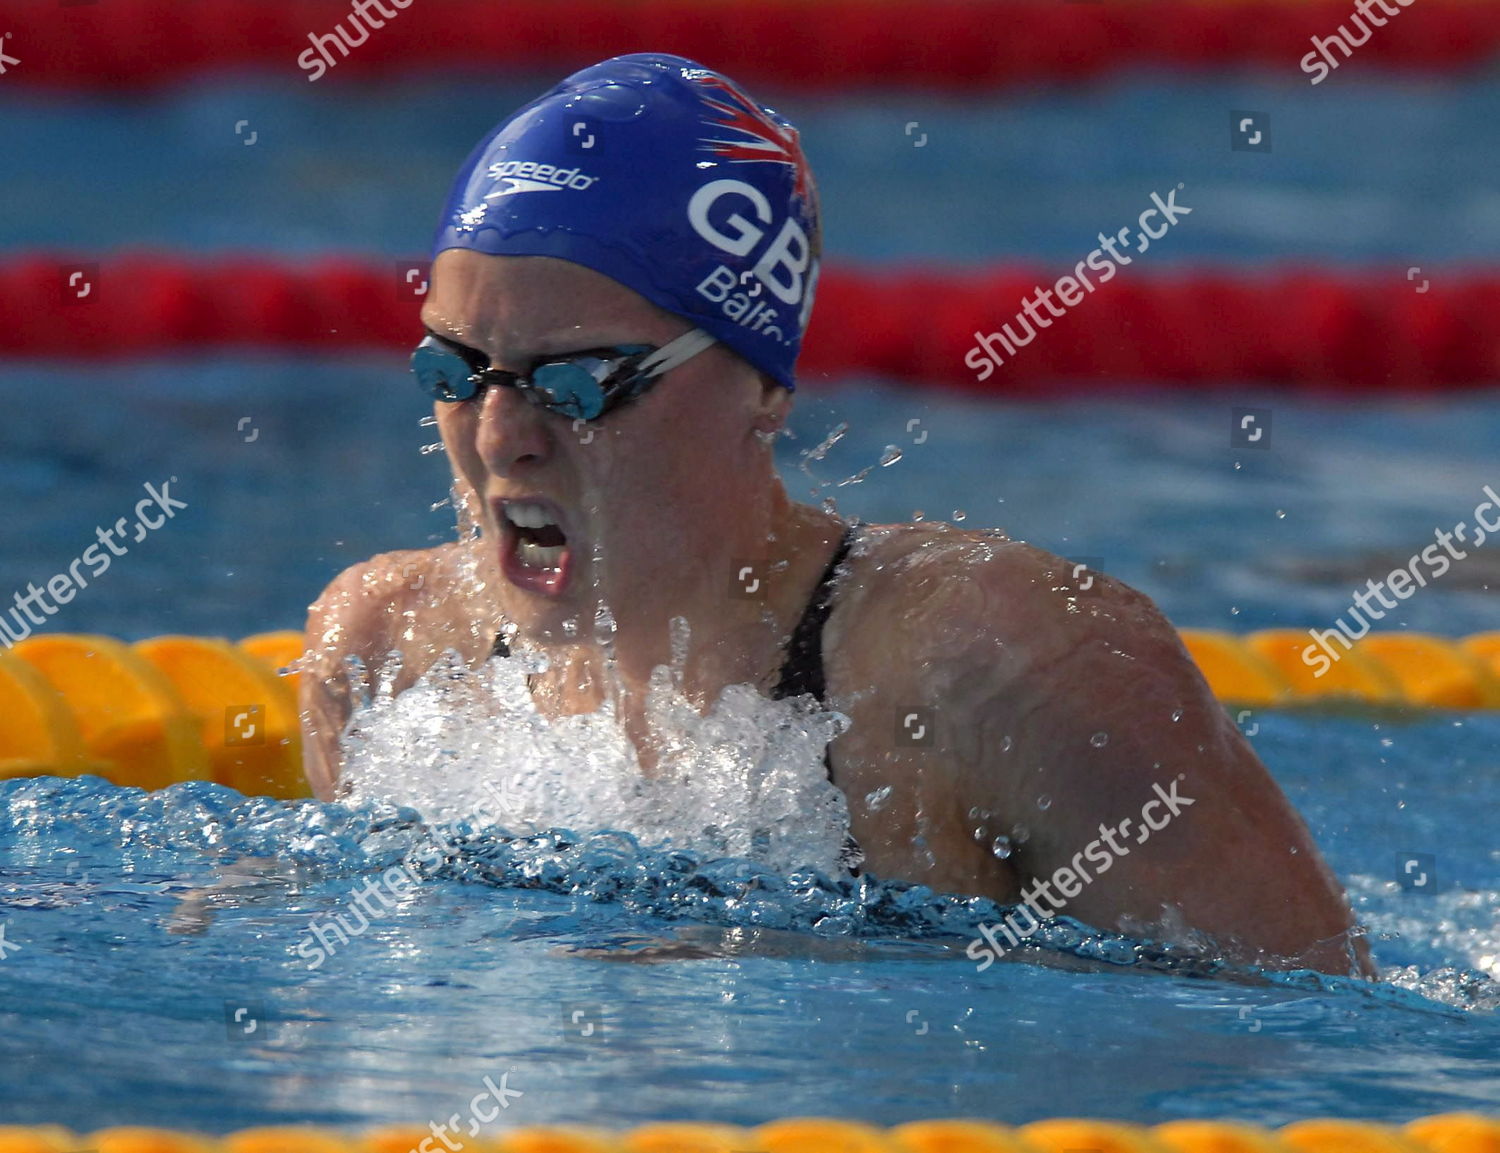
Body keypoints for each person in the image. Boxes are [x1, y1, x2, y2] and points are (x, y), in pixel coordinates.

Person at [301, 53, 1374, 978]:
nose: (500, 437)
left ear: (762, 385)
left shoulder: (997, 664)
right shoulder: (388, 654)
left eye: (580, 380)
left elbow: (1310, 1049)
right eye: (455, 368)